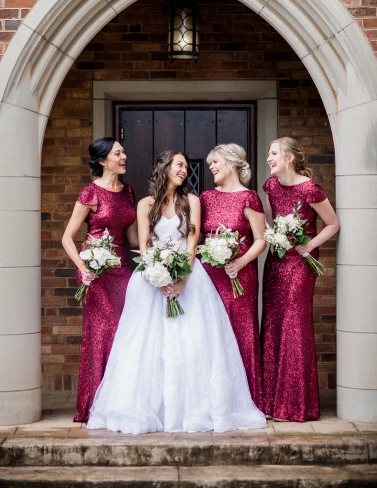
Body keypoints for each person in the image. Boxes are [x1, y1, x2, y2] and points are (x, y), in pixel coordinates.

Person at [87, 150, 266, 434]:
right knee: (145, 346)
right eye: (179, 165)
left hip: (190, 277)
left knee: (192, 343)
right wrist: (156, 276)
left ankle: (191, 409)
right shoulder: (145, 204)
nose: (183, 170)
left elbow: (193, 240)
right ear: (165, 167)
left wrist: (182, 278)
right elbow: (145, 244)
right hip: (150, 279)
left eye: (185, 166)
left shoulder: (192, 201)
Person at [261, 137, 340, 422]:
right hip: (276, 262)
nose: (269, 158)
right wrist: (274, 235)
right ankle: (270, 403)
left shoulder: (310, 189)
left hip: (302, 265)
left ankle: (294, 405)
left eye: (273, 153)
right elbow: (270, 222)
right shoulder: (270, 186)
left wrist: (309, 245)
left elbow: (333, 224)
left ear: (290, 157)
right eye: (269, 153)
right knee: (273, 324)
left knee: (294, 324)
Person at [62, 137, 137, 423]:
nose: (124, 156)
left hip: (123, 269)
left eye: (123, 151)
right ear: (103, 160)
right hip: (97, 271)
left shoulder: (128, 191)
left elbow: (129, 235)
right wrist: (83, 266)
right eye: (118, 153)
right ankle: (96, 403)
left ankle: (121, 402)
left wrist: (152, 253)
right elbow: (67, 237)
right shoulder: (90, 193)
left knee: (126, 333)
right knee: (104, 333)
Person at [200, 143, 266, 410]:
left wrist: (240, 261)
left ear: (231, 164)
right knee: (211, 332)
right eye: (210, 164)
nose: (212, 167)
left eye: (215, 162)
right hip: (210, 276)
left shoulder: (249, 198)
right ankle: (213, 399)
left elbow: (261, 240)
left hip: (240, 275)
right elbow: (200, 236)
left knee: (240, 331)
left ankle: (246, 399)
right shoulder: (205, 197)